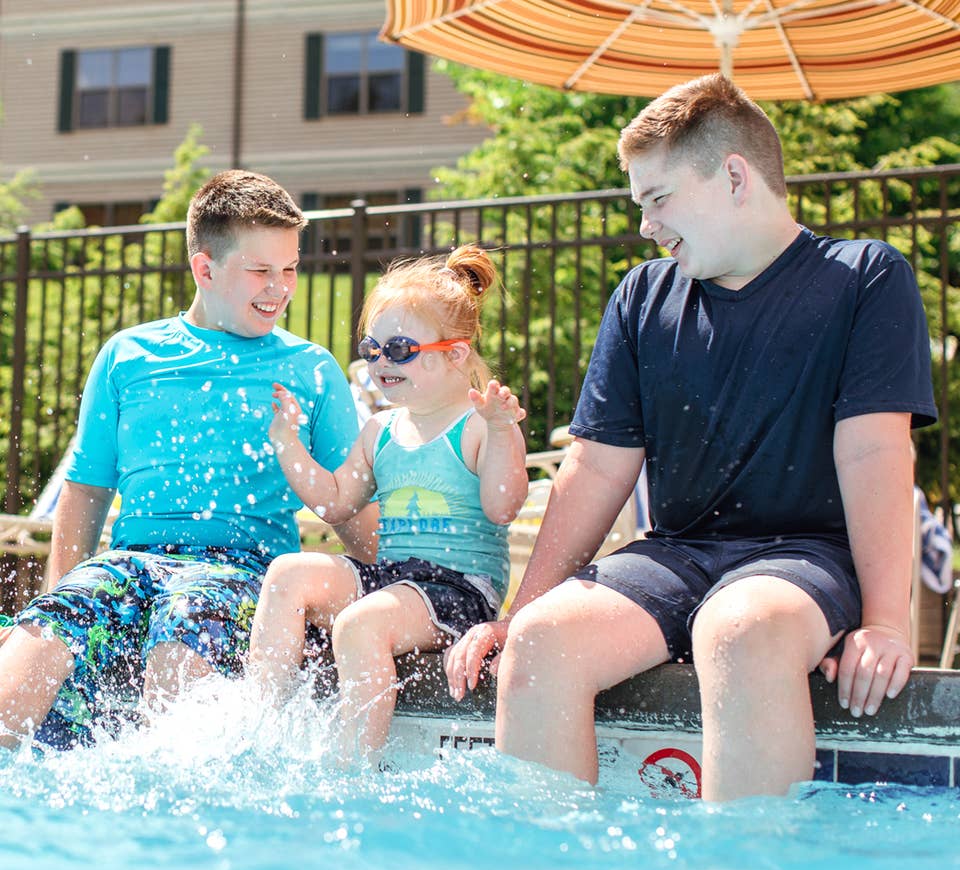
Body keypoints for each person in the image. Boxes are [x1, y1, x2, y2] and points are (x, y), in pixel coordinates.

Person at [444, 74, 937, 802]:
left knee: (739, 628)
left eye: (658, 198)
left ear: (734, 177)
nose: (646, 223)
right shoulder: (644, 296)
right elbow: (595, 468)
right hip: (676, 557)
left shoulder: (862, 279)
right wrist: (519, 612)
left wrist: (887, 623)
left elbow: (875, 454)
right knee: (544, 640)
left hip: (806, 559)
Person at [0, 169, 376, 750]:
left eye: (291, 269)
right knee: (40, 641)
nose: (280, 287)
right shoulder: (128, 356)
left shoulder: (312, 370)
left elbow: (348, 505)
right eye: (261, 271)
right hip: (129, 564)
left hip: (240, 572)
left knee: (183, 628)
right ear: (205, 268)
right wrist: (60, 602)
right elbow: (87, 491)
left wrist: (419, 581)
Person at [247, 244, 527, 762]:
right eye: (372, 348)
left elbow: (503, 507)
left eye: (399, 349)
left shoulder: (477, 426)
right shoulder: (379, 430)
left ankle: (351, 769)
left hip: (459, 590)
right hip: (396, 579)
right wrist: (287, 440)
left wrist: (504, 431)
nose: (379, 362)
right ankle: (259, 731)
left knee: (360, 624)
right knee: (286, 573)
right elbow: (333, 503)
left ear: (455, 353)